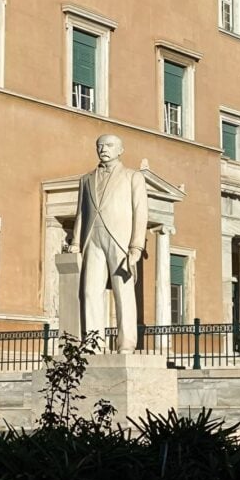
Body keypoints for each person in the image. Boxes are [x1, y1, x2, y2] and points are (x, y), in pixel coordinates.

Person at [68, 134, 147, 353]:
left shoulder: (133, 177)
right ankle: (93, 343)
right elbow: (81, 213)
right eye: (100, 146)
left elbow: (140, 212)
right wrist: (76, 241)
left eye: (109, 145)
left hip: (120, 240)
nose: (103, 149)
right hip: (92, 239)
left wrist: (136, 246)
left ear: (120, 150)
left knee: (123, 291)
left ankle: (127, 342)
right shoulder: (86, 179)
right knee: (90, 292)